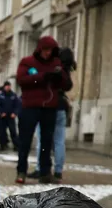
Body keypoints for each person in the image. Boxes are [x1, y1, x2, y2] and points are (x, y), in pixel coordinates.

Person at [14, 35, 71, 184]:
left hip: (49, 107)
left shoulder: (56, 63)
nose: (47, 53)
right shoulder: (27, 62)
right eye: (45, 50)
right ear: (39, 49)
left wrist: (60, 75)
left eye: (50, 50)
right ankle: (21, 171)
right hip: (30, 107)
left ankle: (45, 172)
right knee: (25, 140)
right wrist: (43, 76)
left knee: (47, 141)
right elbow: (21, 80)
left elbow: (67, 85)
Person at [32, 47, 78, 180]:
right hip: (61, 108)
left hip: (49, 107)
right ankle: (58, 170)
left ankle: (40, 168)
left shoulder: (54, 68)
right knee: (59, 141)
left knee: (42, 139)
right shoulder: (67, 70)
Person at [0, 81, 20, 153]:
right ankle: (2, 145)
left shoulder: (13, 95)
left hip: (11, 117)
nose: (8, 87)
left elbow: (17, 106)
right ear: (4, 87)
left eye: (9, 86)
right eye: (6, 86)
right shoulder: (0, 95)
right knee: (2, 132)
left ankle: (16, 146)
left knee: (13, 132)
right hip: (2, 117)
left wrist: (15, 113)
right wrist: (0, 113)